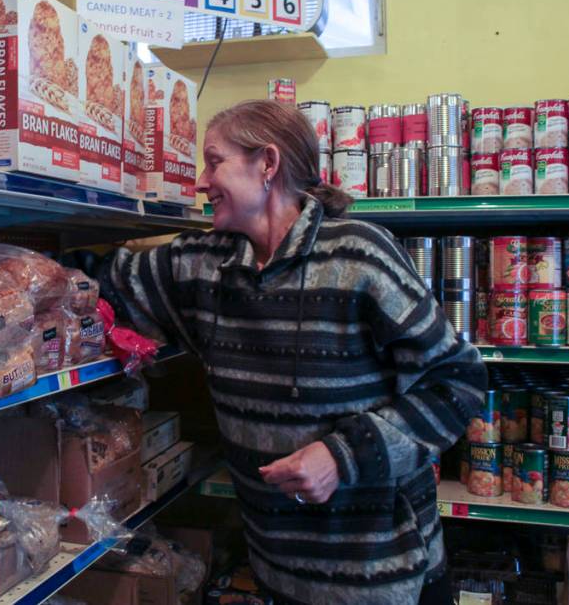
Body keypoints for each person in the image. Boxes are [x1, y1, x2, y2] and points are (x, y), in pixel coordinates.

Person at [96, 99, 487, 604]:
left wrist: (341, 457)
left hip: (384, 579)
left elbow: (458, 380)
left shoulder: (358, 254)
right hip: (278, 574)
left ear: (268, 164)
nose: (199, 180)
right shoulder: (204, 265)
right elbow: (105, 280)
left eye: (214, 162)